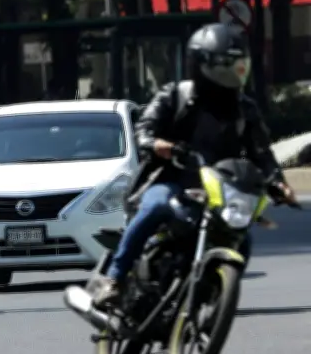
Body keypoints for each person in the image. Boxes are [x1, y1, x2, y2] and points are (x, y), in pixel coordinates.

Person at [93, 23, 297, 308]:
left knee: (242, 238)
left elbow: (261, 153)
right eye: (225, 64)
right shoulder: (174, 96)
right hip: (171, 179)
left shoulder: (244, 109)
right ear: (201, 64)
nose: (233, 72)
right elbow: (143, 130)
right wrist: (157, 144)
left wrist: (278, 182)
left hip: (219, 190)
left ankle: (212, 292)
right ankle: (113, 279)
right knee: (155, 206)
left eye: (237, 64)